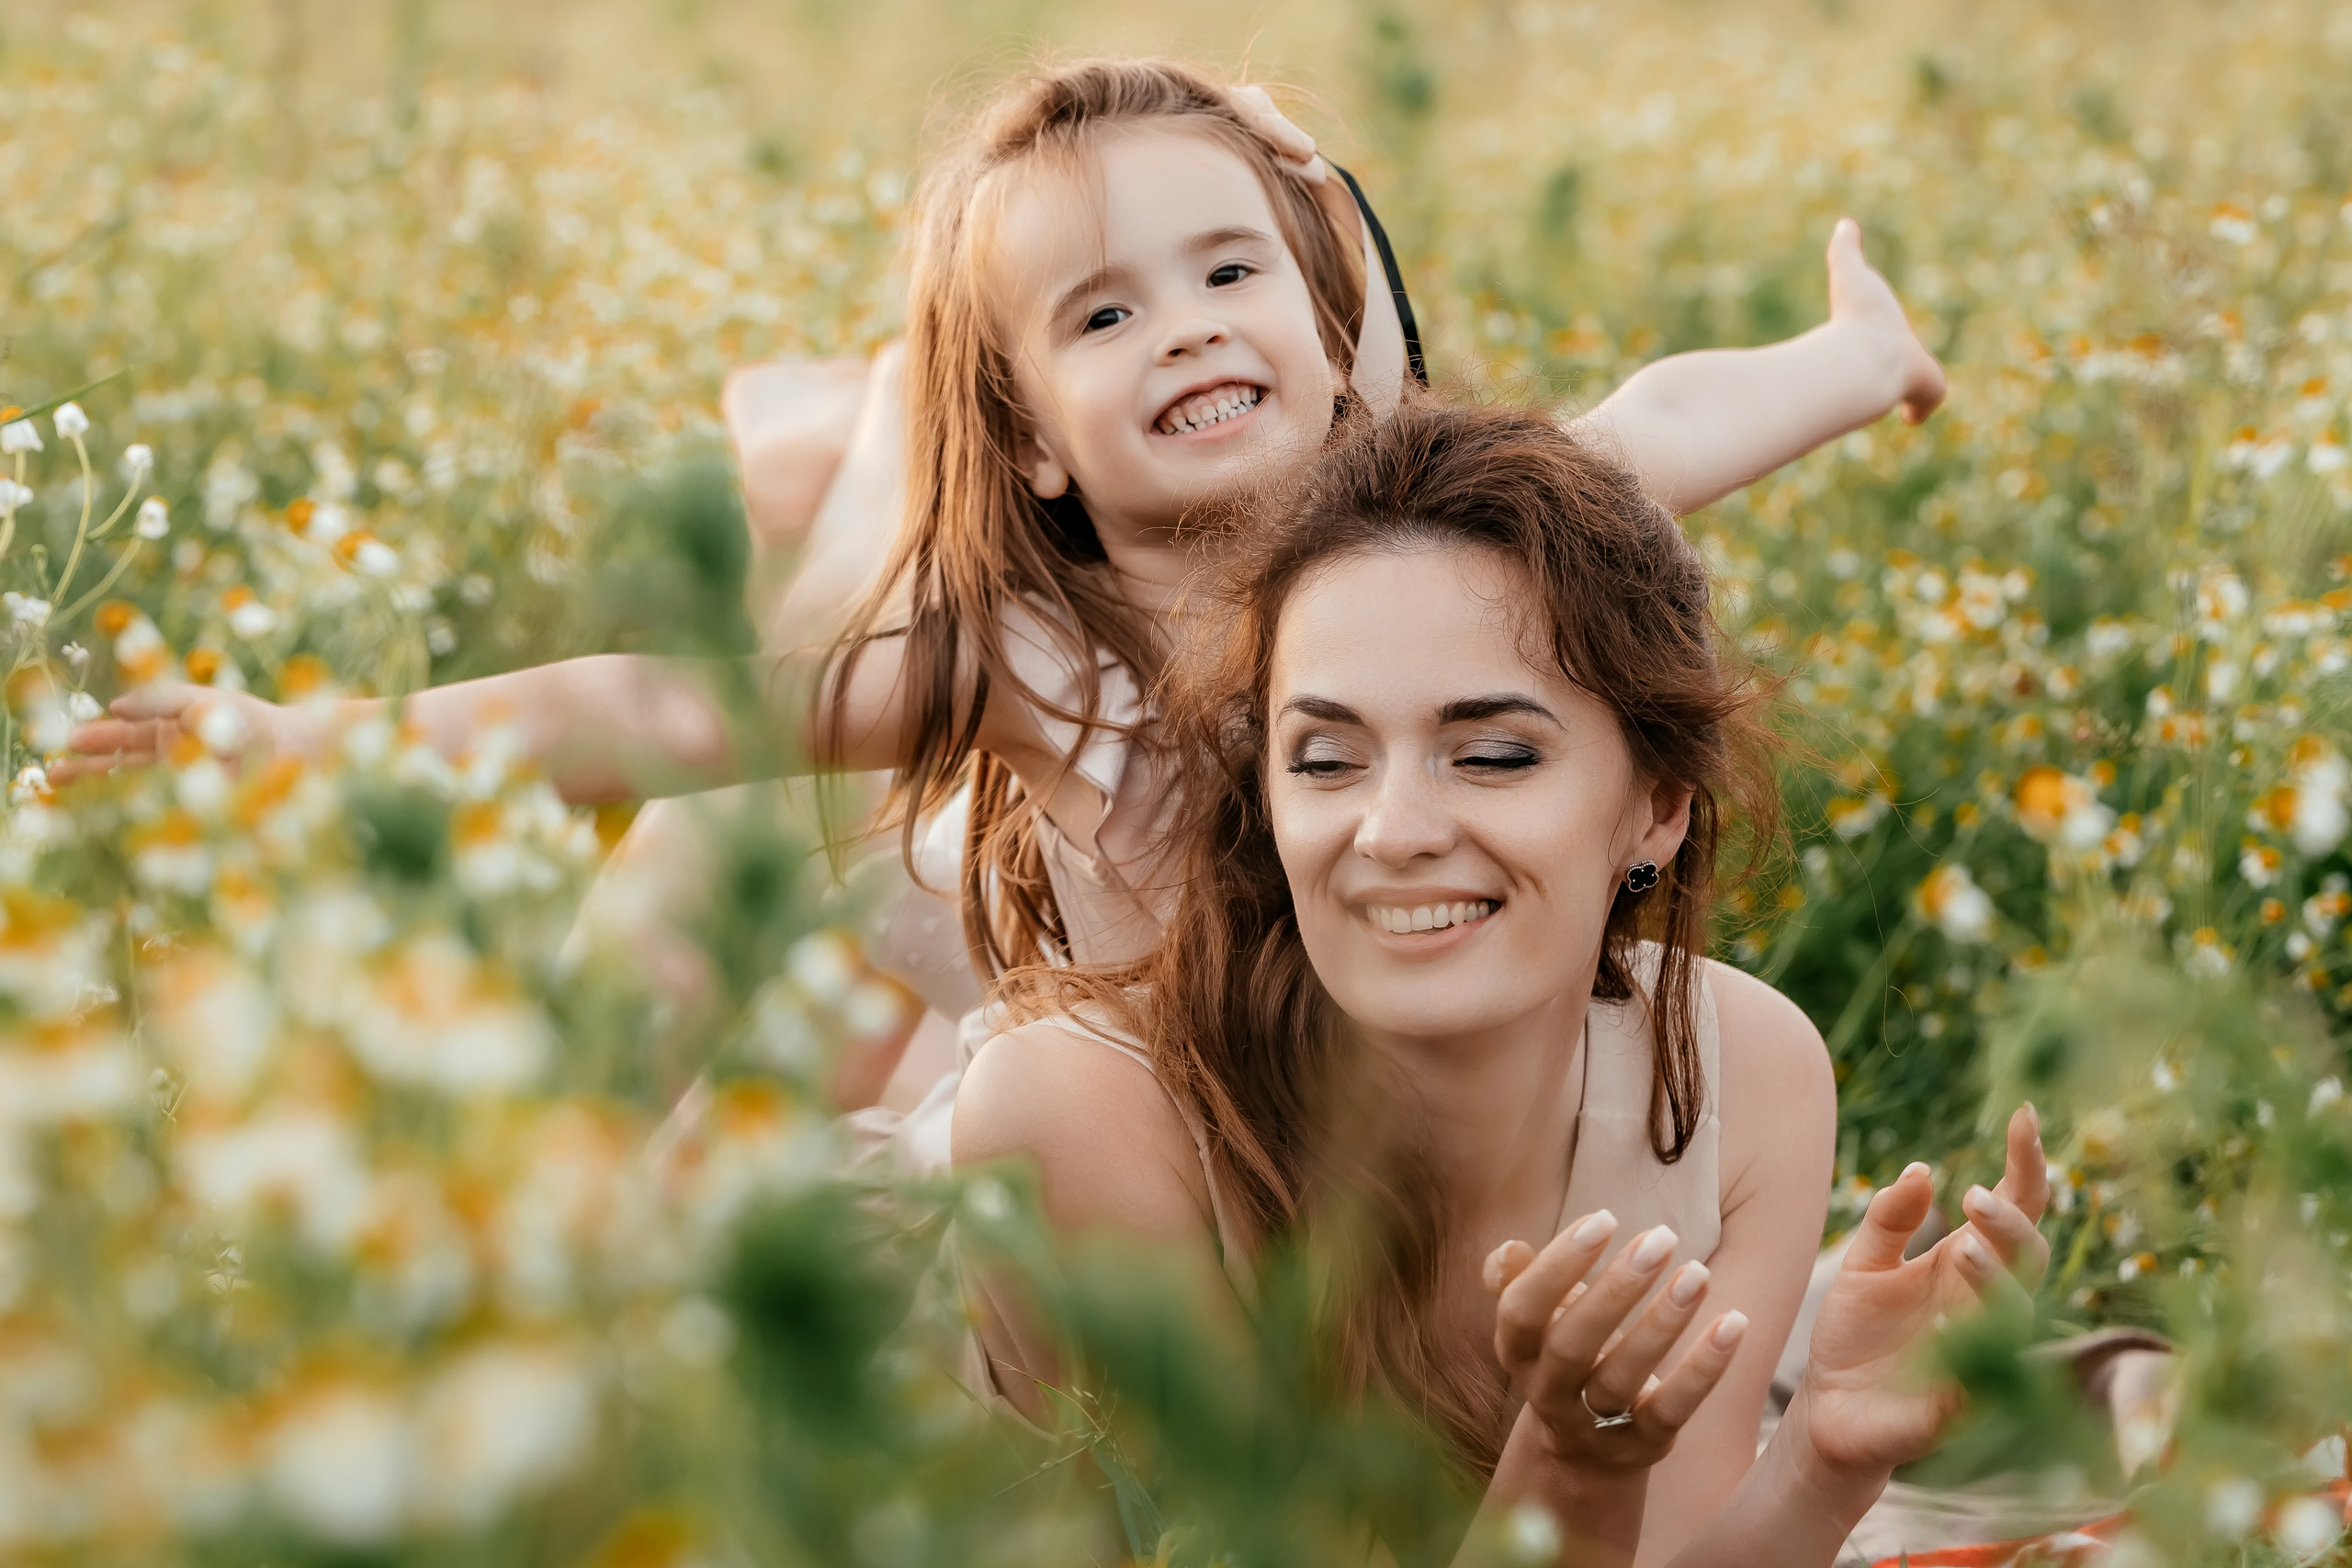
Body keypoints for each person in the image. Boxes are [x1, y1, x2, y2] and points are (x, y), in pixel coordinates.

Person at [62, 59, 1944, 1138]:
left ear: (1322, 332)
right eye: (1106, 315)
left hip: (1422, 1109)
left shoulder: (1432, 550)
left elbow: (1658, 420)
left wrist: (1852, 360)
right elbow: (655, 709)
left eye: (1229, 276)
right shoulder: (1022, 660)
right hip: (1161, 1140)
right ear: (1034, 442)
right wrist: (294, 741)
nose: (1187, 323)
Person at [954, 401, 2050, 1566]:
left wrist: (1826, 1463)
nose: (1394, 830)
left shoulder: (1743, 1075)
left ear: (1658, 807)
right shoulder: (1080, 1122)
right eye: (1326, 759)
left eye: (1491, 755)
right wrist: (1572, 1465)